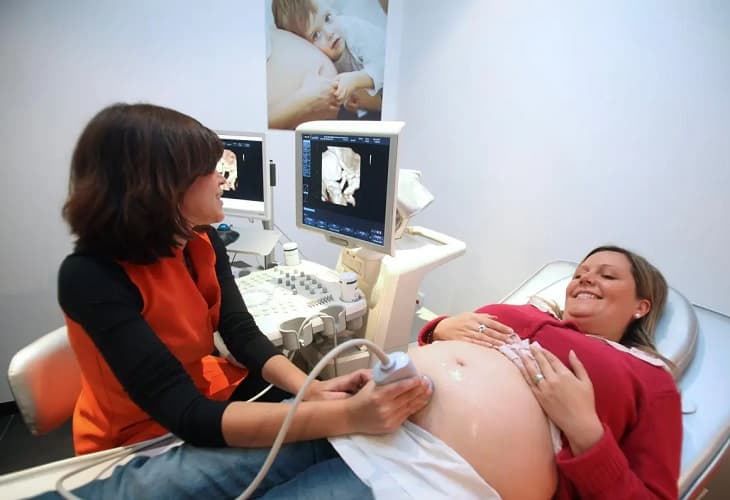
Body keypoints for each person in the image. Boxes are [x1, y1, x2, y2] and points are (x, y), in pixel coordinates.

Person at [47, 102, 432, 497]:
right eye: (209, 170)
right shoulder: (91, 277)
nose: (222, 178)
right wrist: (345, 415)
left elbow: (239, 331)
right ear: (162, 186)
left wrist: (310, 390)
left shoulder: (200, 240)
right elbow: (186, 415)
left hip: (204, 396)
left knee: (340, 446)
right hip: (142, 433)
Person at [410, 245, 682, 499]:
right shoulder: (528, 311)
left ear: (641, 307)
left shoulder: (651, 377)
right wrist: (439, 328)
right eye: (579, 274)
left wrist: (585, 431)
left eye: (608, 276)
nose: (584, 279)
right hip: (386, 429)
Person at [272, 0, 385, 119]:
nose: (330, 32)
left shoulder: (355, 31)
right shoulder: (317, 60)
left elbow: (386, 68)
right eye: (316, 35)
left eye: (327, 18)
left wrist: (356, 80)